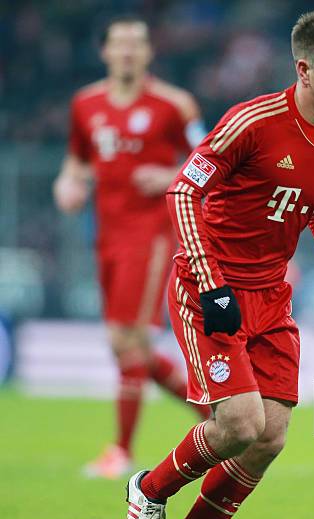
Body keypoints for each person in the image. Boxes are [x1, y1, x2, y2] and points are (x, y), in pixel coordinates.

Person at [125, 9, 314, 519]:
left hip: (271, 297)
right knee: (239, 424)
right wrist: (211, 282)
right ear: (303, 68)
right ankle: (147, 489)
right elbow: (183, 193)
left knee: (269, 437)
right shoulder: (252, 121)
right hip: (209, 287)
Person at [53, 16, 210, 479]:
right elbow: (78, 158)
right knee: (123, 344)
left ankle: (120, 451)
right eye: (119, 44)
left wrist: (169, 176)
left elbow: (209, 159)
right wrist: (69, 182)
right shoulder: (85, 104)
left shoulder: (174, 105)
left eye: (136, 44)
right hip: (106, 233)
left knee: (131, 339)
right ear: (104, 51)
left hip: (155, 232)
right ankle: (214, 420)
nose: (127, 52)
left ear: (148, 53)